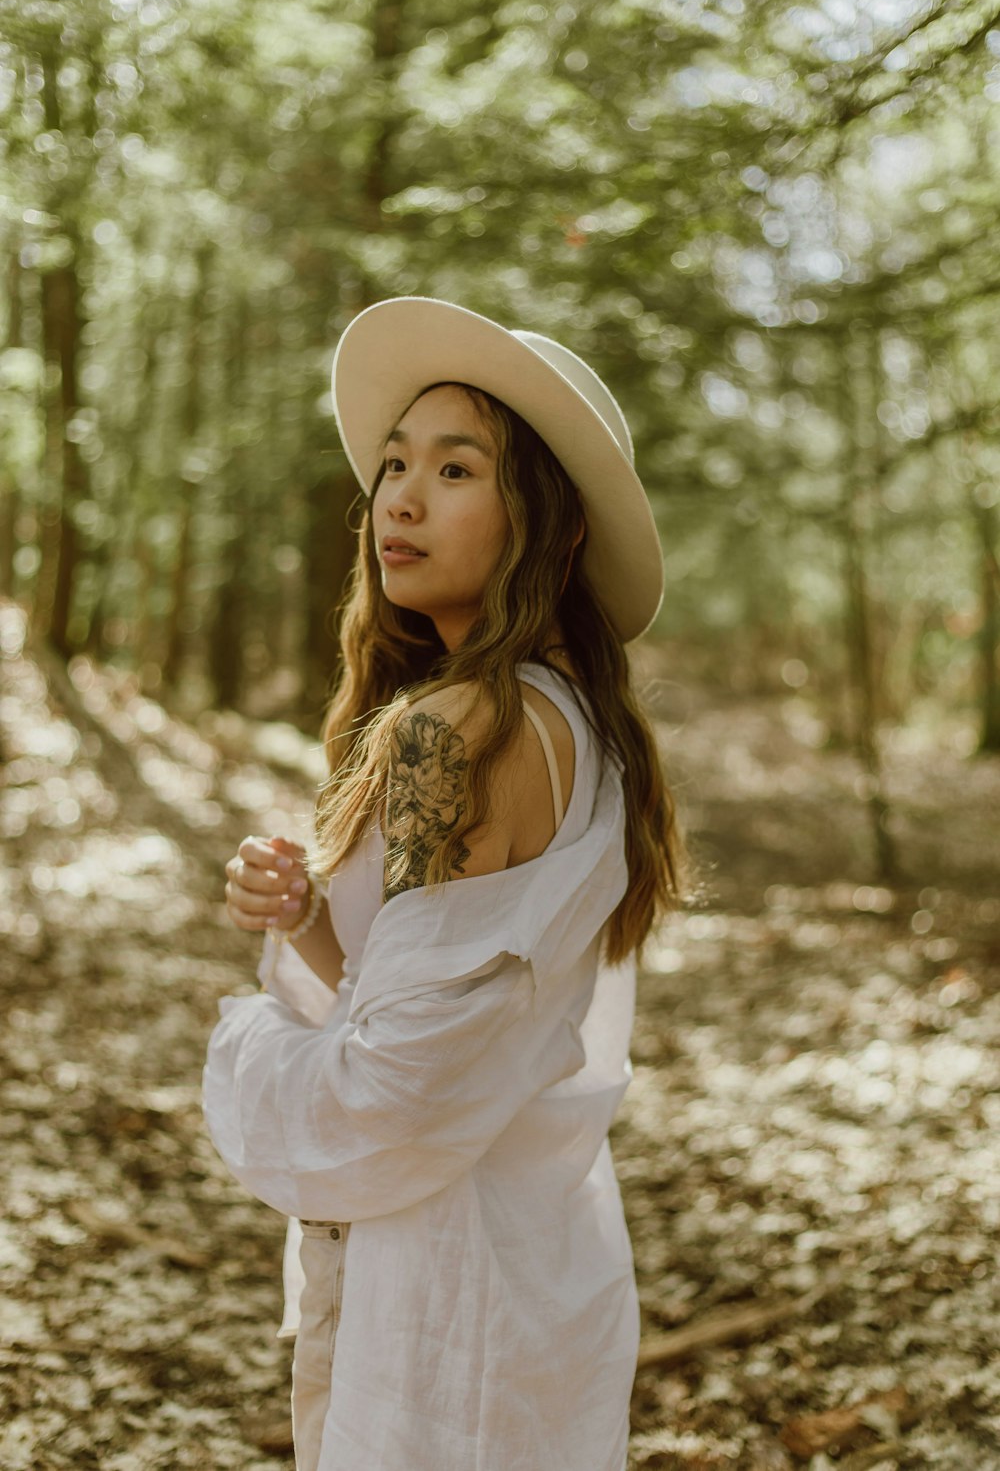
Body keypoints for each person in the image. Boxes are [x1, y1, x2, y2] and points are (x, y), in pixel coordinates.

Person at [203, 297, 684, 1471]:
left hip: (439, 1296)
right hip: (544, 1267)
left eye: (455, 469)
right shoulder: (585, 728)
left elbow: (391, 1095)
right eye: (393, 466)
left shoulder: (451, 727)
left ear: (550, 527)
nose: (398, 503)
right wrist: (316, 920)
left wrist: (248, 1059)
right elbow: (434, 999)